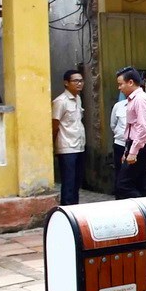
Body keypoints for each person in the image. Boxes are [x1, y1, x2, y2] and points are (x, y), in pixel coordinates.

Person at [114, 67, 146, 200]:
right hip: (135, 145)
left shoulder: (140, 99)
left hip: (141, 147)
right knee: (141, 182)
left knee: (123, 185)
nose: (119, 88)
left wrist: (133, 152)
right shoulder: (133, 99)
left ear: (130, 82)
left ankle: (142, 212)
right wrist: (128, 151)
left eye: (121, 84)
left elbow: (142, 127)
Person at [52, 69, 85, 206]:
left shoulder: (78, 98)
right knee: (68, 182)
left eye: (81, 80)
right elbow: (54, 124)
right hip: (66, 147)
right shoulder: (60, 101)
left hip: (79, 145)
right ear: (66, 83)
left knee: (77, 181)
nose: (79, 83)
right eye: (75, 81)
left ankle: (74, 210)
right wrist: (53, 145)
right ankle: (66, 210)